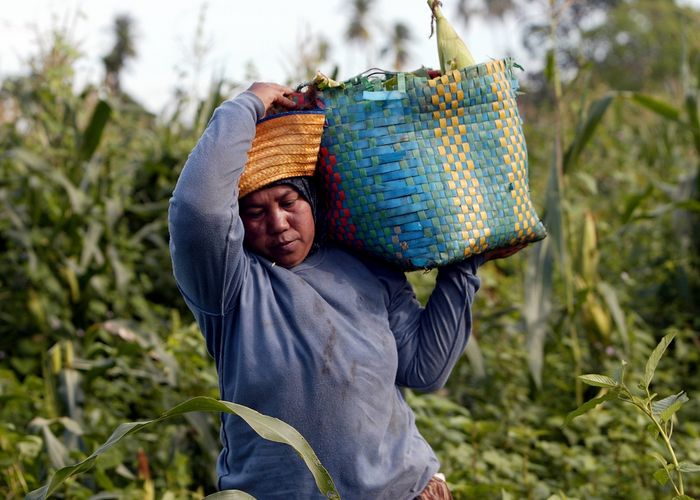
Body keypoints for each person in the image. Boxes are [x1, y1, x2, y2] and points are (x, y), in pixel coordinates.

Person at [168, 82, 519, 499]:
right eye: (256, 213)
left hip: (404, 490)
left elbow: (425, 369)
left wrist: (465, 263)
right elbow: (197, 211)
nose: (278, 222)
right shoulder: (231, 288)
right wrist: (245, 106)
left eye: (288, 202)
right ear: (239, 226)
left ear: (311, 203)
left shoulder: (364, 267)